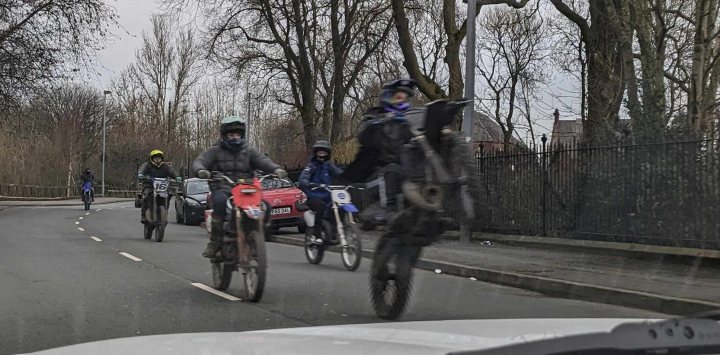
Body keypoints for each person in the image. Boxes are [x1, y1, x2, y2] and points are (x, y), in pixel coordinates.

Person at [192, 115, 287, 258]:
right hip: (223, 186)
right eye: (231, 134)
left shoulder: (249, 151)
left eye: (237, 134)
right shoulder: (214, 151)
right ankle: (215, 242)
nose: (235, 137)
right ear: (225, 135)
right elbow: (200, 161)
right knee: (219, 202)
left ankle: (257, 234)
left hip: (246, 189)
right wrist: (201, 170)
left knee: (266, 205)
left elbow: (263, 161)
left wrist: (276, 169)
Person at [340, 78, 416, 221]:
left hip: (405, 171)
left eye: (405, 98)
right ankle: (386, 207)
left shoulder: (408, 120)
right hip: (378, 173)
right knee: (392, 169)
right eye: (398, 97)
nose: (402, 101)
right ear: (388, 97)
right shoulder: (375, 114)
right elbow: (363, 134)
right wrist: (379, 123)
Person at [299, 140, 343, 243]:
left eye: (324, 153)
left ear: (328, 154)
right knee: (320, 206)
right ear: (315, 153)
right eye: (319, 152)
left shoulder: (329, 166)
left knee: (339, 206)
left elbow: (339, 173)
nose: (322, 155)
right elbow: (303, 178)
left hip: (328, 196)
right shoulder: (311, 166)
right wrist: (308, 183)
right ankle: (317, 234)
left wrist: (352, 178)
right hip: (313, 197)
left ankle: (334, 232)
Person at [137, 149, 181, 224]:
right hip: (149, 185)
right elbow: (142, 169)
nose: (157, 160)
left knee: (168, 195)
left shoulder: (165, 166)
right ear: (152, 158)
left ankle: (164, 215)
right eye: (155, 158)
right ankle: (143, 215)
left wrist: (177, 176)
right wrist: (141, 174)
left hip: (162, 187)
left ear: (161, 159)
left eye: (159, 158)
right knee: (147, 196)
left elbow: (171, 171)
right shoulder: (147, 165)